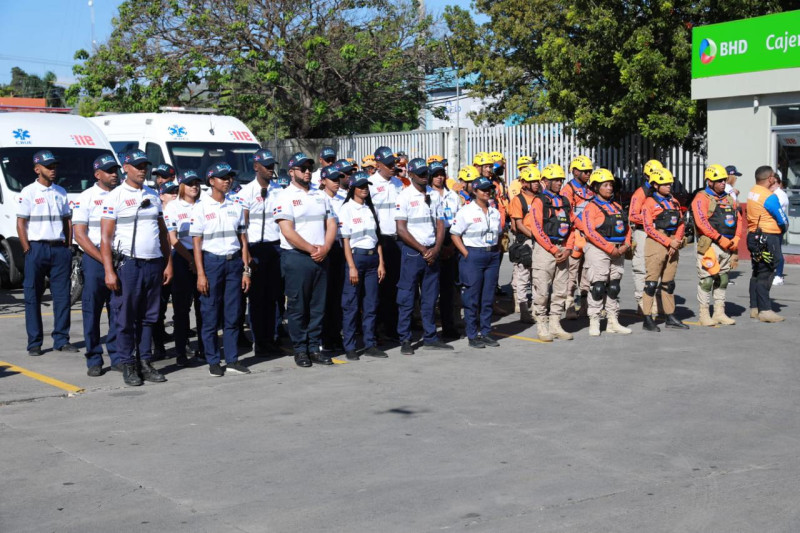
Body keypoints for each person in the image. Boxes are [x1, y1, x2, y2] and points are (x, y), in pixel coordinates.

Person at [100, 149, 173, 386]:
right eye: (138, 166)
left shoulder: (153, 195)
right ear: (126, 168)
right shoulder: (115, 196)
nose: (143, 170)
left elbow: (163, 233)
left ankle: (145, 362)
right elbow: (106, 238)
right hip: (129, 264)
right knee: (126, 317)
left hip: (153, 264)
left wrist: (168, 263)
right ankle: (128, 363)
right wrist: (110, 271)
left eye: (145, 166)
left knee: (149, 318)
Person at [274, 152, 338, 366]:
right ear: (291, 172)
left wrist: (326, 247)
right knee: (298, 306)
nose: (308, 172)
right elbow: (287, 231)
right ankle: (300, 349)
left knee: (318, 306)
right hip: (297, 257)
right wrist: (313, 249)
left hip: (321, 256)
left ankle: (315, 347)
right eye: (303, 168)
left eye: (310, 168)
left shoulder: (320, 195)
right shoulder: (284, 196)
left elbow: (331, 223)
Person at [190, 163, 251, 376]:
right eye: (223, 177)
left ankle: (233, 359)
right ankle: (214, 360)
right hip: (212, 263)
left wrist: (246, 270)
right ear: (211, 180)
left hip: (233, 263)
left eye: (230, 177)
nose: (228, 180)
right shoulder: (200, 207)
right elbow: (196, 245)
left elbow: (243, 241)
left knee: (233, 314)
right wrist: (200, 274)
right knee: (210, 314)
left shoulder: (235, 206)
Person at [16, 150, 77, 356]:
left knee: (62, 297)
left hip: (59, 249)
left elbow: (67, 221)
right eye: (48, 167)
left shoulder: (61, 192)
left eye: (54, 167)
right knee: (32, 296)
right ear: (37, 169)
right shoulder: (28, 192)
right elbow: (21, 222)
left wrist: (68, 247)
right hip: (36, 248)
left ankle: (61, 339)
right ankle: (35, 342)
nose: (53, 170)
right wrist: (27, 248)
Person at [395, 157, 451, 354]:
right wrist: (422, 249)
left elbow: (440, 223)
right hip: (413, 253)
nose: (425, 177)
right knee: (407, 297)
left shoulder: (434, 195)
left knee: (429, 298)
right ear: (410, 175)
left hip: (431, 252)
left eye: (426, 173)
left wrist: (436, 248)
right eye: (420, 174)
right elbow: (401, 229)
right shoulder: (404, 196)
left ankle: (430, 337)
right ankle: (405, 339)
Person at [73, 154, 120, 375]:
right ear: (97, 174)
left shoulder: (122, 195)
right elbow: (80, 235)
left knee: (118, 310)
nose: (114, 175)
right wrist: (105, 261)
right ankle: (94, 359)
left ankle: (117, 355)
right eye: (109, 171)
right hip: (95, 260)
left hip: (120, 259)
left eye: (115, 170)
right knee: (92, 311)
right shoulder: (86, 197)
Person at [237, 149, 283, 356]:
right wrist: (246, 255)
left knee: (275, 296)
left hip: (276, 246)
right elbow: (242, 227)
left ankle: (272, 337)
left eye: (272, 164)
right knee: (257, 298)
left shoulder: (279, 190)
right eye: (266, 165)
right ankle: (260, 342)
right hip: (255, 247)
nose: (270, 168)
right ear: (256, 166)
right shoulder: (245, 193)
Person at [339, 171, 389, 360]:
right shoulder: (347, 209)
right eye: (360, 187)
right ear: (352, 188)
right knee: (351, 304)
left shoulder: (370, 209)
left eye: (366, 186)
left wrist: (381, 262)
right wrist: (351, 266)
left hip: (372, 260)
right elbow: (345, 241)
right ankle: (350, 346)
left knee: (371, 304)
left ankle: (370, 344)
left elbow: (377, 239)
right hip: (356, 258)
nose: (364, 190)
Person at [450, 176, 503, 348]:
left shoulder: (494, 211)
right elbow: (455, 234)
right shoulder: (466, 211)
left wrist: (497, 249)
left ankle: (486, 332)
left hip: (492, 255)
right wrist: (466, 254)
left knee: (487, 297)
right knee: (472, 297)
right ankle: (472, 334)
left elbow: (499, 233)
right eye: (483, 190)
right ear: (475, 191)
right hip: (473, 255)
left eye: (489, 189)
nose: (487, 192)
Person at [581, 168, 632, 336]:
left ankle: (612, 321)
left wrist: (626, 244)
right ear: (596, 187)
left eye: (611, 185)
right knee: (597, 286)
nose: (609, 188)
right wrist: (610, 248)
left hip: (618, 250)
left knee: (614, 286)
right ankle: (594, 321)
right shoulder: (591, 207)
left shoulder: (617, 206)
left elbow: (626, 228)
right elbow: (590, 232)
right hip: (599, 250)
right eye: (605, 185)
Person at [691, 164, 743, 327]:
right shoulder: (701, 198)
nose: (722, 183)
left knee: (723, 278)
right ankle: (704, 314)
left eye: (723, 180)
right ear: (709, 181)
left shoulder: (728, 198)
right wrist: (720, 238)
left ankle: (719, 312)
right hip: (710, 245)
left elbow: (738, 218)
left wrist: (736, 238)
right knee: (707, 279)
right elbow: (701, 223)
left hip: (728, 245)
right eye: (718, 181)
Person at [528, 163, 575, 342]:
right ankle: (542, 324)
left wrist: (568, 248)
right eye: (555, 180)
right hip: (545, 250)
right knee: (541, 290)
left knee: (561, 290)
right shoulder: (539, 201)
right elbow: (537, 228)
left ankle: (556, 324)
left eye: (561, 179)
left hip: (562, 248)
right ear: (545, 181)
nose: (558, 183)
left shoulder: (564, 201)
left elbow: (571, 226)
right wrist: (553, 249)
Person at [163, 169, 205, 365]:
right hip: (182, 259)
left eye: (197, 183)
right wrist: (191, 260)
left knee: (204, 308)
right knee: (181, 309)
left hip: (204, 259)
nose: (194, 186)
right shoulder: (172, 207)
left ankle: (205, 349)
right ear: (181, 186)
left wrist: (198, 262)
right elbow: (173, 238)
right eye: (190, 183)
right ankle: (181, 351)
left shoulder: (205, 205)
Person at [641, 167, 688, 332]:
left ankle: (670, 316)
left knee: (669, 283)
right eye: (664, 183)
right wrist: (668, 242)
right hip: (657, 243)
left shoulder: (674, 201)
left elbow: (681, 222)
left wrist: (677, 240)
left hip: (673, 242)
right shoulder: (649, 203)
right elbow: (648, 228)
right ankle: (647, 317)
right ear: (655, 185)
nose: (669, 186)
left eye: (670, 183)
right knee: (651, 283)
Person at [369, 146, 406, 341]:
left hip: (398, 240)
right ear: (378, 164)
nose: (394, 167)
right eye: (389, 164)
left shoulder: (399, 184)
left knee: (396, 286)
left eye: (394, 163)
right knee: (379, 287)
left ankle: (392, 327)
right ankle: (376, 329)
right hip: (381, 240)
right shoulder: (371, 185)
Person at [746, 166, 789, 322]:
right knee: (768, 272)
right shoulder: (768, 196)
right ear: (770, 178)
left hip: (754, 235)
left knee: (757, 271)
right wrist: (783, 229)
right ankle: (765, 310)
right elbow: (782, 218)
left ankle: (755, 307)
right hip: (767, 237)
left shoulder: (753, 191)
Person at [429, 160, 461, 339]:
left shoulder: (453, 196)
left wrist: (450, 247)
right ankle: (430, 328)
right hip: (432, 240)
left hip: (450, 239)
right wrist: (437, 247)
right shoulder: (426, 195)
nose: (439, 177)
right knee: (431, 290)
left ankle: (449, 326)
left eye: (441, 174)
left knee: (448, 289)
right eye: (435, 174)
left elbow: (458, 221)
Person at [629, 160, 664, 315]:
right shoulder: (640, 193)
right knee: (641, 268)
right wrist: (651, 220)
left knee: (659, 267)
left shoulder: (664, 193)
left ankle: (656, 300)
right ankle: (641, 302)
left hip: (659, 232)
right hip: (643, 232)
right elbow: (632, 215)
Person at [562, 155, 595, 320]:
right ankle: (568, 306)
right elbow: (568, 214)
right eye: (584, 171)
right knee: (571, 273)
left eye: (589, 171)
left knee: (587, 273)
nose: (588, 174)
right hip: (574, 235)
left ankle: (585, 306)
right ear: (574, 171)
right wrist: (584, 227)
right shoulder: (567, 190)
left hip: (588, 236)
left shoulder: (590, 190)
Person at [507, 165, 541, 324]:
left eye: (537, 181)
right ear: (524, 183)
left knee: (538, 276)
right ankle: (523, 309)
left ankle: (536, 307)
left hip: (539, 240)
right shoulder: (518, 200)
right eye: (532, 181)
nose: (536, 183)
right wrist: (534, 236)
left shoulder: (540, 198)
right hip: (526, 241)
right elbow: (518, 225)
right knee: (523, 276)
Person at [319, 164, 347, 351]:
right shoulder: (318, 199)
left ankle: (335, 335)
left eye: (338, 179)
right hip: (325, 248)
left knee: (338, 296)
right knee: (324, 296)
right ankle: (323, 339)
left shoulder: (344, 199)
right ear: (323, 181)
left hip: (340, 248)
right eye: (333, 179)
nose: (337, 183)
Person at [152, 180, 179, 359]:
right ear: (161, 196)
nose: (175, 195)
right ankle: (158, 345)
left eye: (177, 192)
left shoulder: (179, 210)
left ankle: (180, 344)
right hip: (161, 261)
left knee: (179, 304)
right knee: (158, 306)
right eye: (170, 192)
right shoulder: (158, 213)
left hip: (178, 261)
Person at [772, 177, 789, 286]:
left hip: (777, 225)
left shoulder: (780, 194)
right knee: (773, 250)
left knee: (777, 250)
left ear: (778, 183)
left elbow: (776, 210)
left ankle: (778, 275)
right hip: (774, 225)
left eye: (773, 183)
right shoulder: (775, 193)